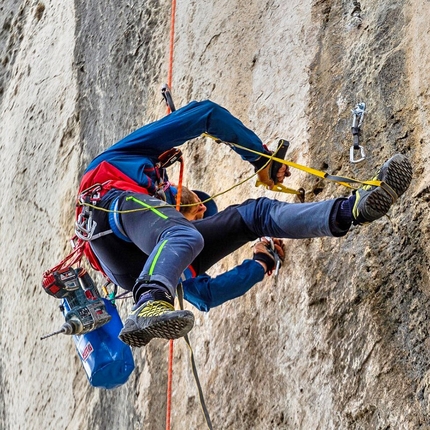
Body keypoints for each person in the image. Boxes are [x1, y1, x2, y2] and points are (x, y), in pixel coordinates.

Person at [76, 100, 412, 348]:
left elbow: (206, 295)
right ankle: (147, 302)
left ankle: (352, 210)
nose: (195, 210)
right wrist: (260, 156)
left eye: (197, 212)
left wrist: (259, 263)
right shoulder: (123, 162)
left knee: (254, 216)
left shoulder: (167, 256)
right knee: (182, 235)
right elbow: (205, 114)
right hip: (106, 211)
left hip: (135, 268)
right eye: (195, 205)